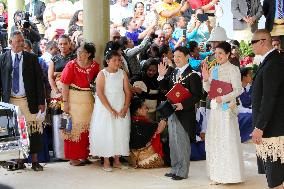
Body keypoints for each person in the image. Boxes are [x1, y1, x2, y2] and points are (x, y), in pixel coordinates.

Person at [0, 30, 45, 171]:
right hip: (10, 101)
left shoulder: (31, 58)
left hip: (28, 100)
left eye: (22, 40)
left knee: (33, 129)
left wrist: (41, 102)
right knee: (15, 132)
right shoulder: (3, 58)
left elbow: (39, 81)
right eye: (18, 41)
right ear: (10, 42)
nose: (21, 43)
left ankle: (35, 161)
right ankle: (19, 160)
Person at [201, 42, 244, 185]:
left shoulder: (233, 69)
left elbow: (239, 90)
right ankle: (217, 174)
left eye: (220, 53)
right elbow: (208, 90)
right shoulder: (214, 69)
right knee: (215, 140)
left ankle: (229, 175)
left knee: (226, 140)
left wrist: (223, 98)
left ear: (227, 54)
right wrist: (206, 79)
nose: (217, 56)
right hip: (215, 110)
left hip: (227, 110)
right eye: (216, 53)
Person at [158, 46, 202, 180]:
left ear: (187, 57)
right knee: (173, 142)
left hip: (185, 114)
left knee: (182, 142)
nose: (176, 59)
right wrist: (161, 76)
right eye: (175, 56)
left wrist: (183, 104)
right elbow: (165, 90)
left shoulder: (193, 75)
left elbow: (197, 95)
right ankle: (175, 168)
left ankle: (182, 171)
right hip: (172, 111)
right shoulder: (173, 73)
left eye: (179, 56)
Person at [250, 29, 284, 189]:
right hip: (271, 128)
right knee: (274, 176)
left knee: (276, 178)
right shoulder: (269, 61)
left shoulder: (273, 62)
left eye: (253, 42)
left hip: (273, 130)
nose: (251, 46)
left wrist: (259, 126)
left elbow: (269, 98)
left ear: (262, 41)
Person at [89, 50, 131, 172]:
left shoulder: (123, 73)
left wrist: (125, 107)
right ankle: (107, 161)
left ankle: (117, 160)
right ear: (108, 61)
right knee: (107, 131)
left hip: (120, 105)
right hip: (105, 107)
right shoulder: (102, 74)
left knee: (120, 131)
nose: (117, 63)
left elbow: (128, 92)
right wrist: (110, 109)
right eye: (114, 60)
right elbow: (100, 93)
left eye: (119, 60)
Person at [60, 42, 99, 166]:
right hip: (73, 101)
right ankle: (73, 158)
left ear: (89, 54)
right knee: (72, 129)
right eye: (78, 52)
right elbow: (65, 85)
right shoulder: (71, 65)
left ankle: (83, 155)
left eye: (82, 52)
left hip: (88, 102)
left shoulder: (95, 65)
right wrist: (65, 103)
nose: (79, 54)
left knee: (87, 129)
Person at [48, 35, 76, 159]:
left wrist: (58, 74)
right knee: (57, 119)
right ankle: (59, 152)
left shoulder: (74, 58)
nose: (62, 46)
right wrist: (55, 90)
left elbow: (73, 74)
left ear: (70, 44)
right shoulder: (54, 59)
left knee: (70, 119)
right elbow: (50, 77)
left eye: (65, 43)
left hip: (72, 91)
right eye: (60, 44)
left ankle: (71, 152)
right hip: (57, 92)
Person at [129, 97, 166, 168]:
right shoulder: (144, 123)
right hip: (148, 161)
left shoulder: (132, 121)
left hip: (134, 159)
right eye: (145, 108)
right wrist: (164, 118)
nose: (147, 110)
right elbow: (160, 129)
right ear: (139, 110)